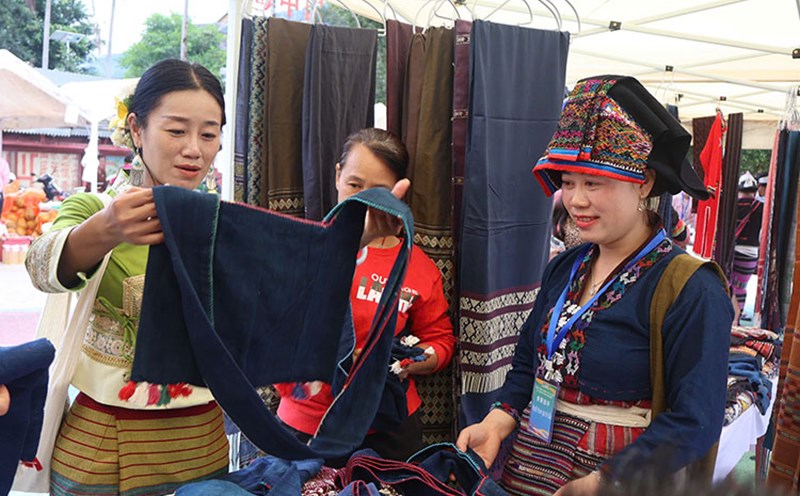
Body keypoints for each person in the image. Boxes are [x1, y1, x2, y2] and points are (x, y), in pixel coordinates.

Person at [25, 61, 408, 496]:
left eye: (208, 135)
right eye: (176, 131)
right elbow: (41, 265)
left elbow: (289, 288)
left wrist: (356, 239)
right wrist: (105, 230)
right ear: (136, 128)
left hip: (202, 443)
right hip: (104, 445)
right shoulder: (94, 209)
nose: (194, 149)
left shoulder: (223, 226)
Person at [456, 76, 733, 496]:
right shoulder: (565, 267)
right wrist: (497, 422)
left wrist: (606, 481)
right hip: (527, 465)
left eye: (593, 182)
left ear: (643, 182)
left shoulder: (692, 288)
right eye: (568, 182)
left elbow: (696, 419)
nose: (576, 201)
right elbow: (529, 362)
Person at [276, 128, 456, 463]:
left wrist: (402, 362)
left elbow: (440, 339)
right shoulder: (301, 250)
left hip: (388, 429)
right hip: (307, 426)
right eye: (354, 185)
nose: (364, 200)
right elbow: (270, 333)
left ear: (399, 192)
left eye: (379, 192)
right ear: (337, 176)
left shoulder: (417, 266)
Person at [731, 172, 763, 322]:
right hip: (751, 254)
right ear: (755, 191)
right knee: (741, 286)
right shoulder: (761, 207)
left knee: (730, 284)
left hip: (733, 251)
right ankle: (737, 315)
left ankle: (732, 316)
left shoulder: (733, 206)